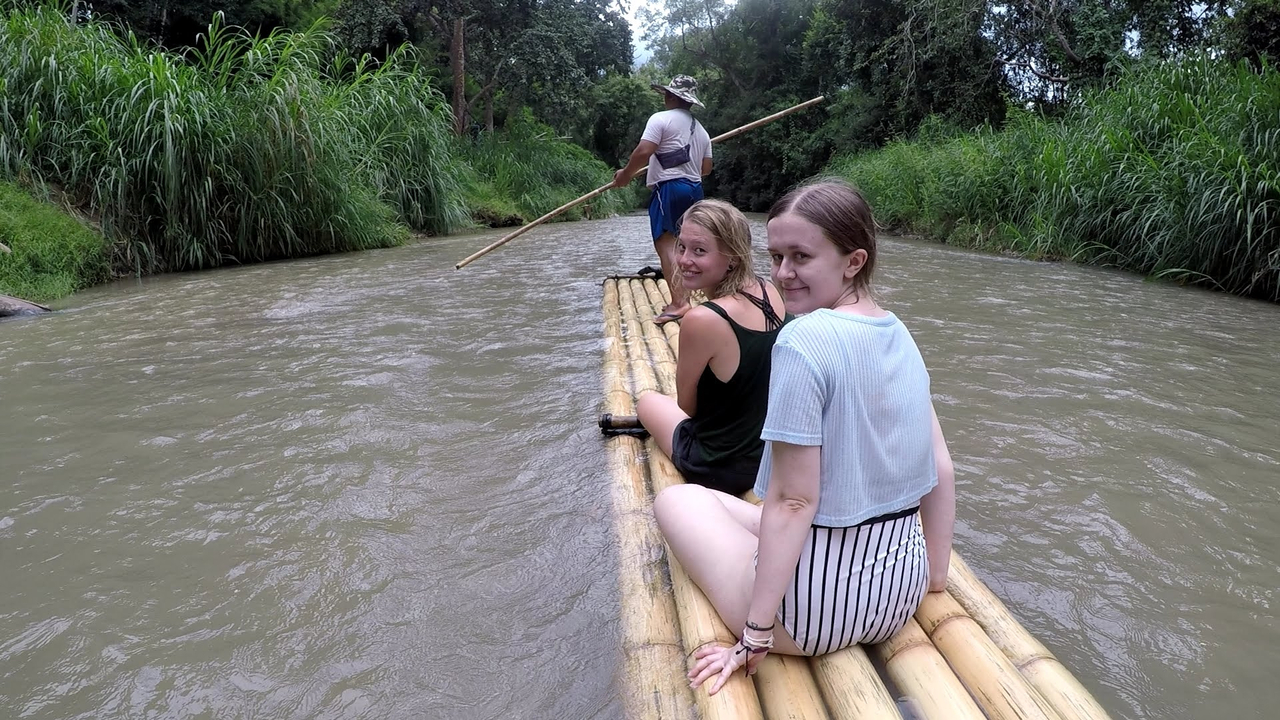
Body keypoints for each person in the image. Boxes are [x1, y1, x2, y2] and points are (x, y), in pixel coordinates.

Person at [652, 179, 957, 695]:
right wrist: (937, 578)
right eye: (776, 257)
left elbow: (794, 500)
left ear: (853, 261)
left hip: (812, 616)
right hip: (901, 593)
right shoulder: (899, 331)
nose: (784, 274)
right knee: (729, 508)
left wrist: (753, 635)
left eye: (801, 257)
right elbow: (942, 469)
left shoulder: (803, 339)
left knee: (677, 500)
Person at [637, 199, 788, 496]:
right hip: (770, 457)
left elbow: (688, 407)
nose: (684, 260)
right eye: (681, 247)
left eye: (700, 251)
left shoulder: (702, 319)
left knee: (646, 402)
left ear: (732, 257)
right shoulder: (770, 288)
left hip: (720, 465)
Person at [612, 75, 713, 325]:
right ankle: (682, 298)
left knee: (666, 244)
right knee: (684, 244)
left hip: (668, 188)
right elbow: (706, 169)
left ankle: (680, 304)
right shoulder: (702, 131)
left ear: (670, 96)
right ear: (690, 101)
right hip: (694, 190)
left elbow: (644, 151)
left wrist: (625, 175)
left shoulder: (660, 119)